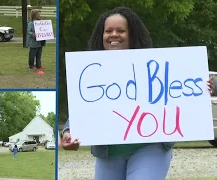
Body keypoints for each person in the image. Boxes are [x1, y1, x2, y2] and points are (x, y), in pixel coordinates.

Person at [60, 7, 216, 180]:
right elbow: (82, 106)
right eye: (108, 31)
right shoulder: (90, 71)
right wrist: (67, 132)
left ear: (132, 34)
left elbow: (182, 90)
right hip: (108, 152)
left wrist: (205, 86)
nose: (114, 34)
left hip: (150, 148)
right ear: (101, 35)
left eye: (121, 30)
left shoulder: (153, 64)